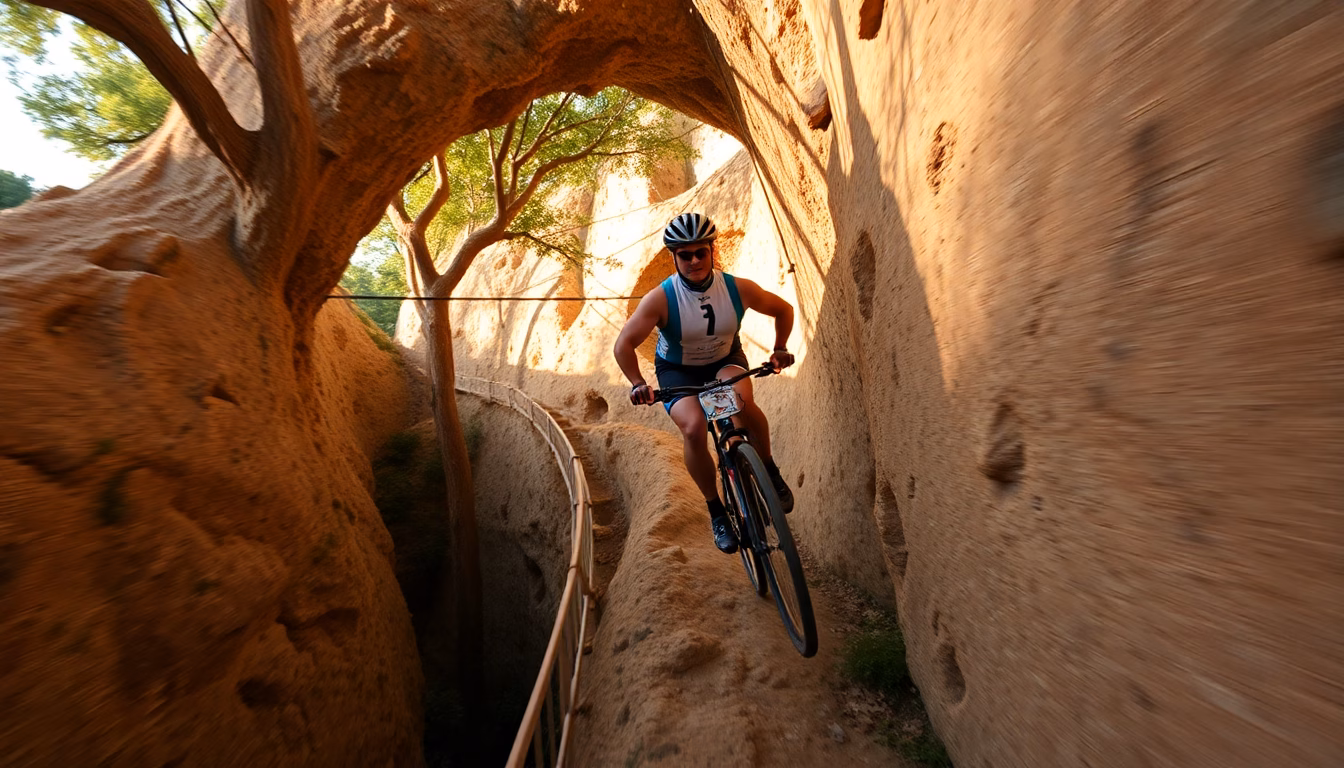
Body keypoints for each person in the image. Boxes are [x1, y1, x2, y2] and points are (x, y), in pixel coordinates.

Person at [613, 212, 796, 554]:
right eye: (685, 254)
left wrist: (780, 348)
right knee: (695, 428)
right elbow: (623, 344)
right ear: (674, 257)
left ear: (712, 251)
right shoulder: (661, 298)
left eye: (701, 252)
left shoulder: (737, 288)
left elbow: (783, 310)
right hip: (678, 371)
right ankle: (716, 511)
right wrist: (638, 383)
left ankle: (769, 469)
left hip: (724, 361)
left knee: (739, 402)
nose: (694, 260)